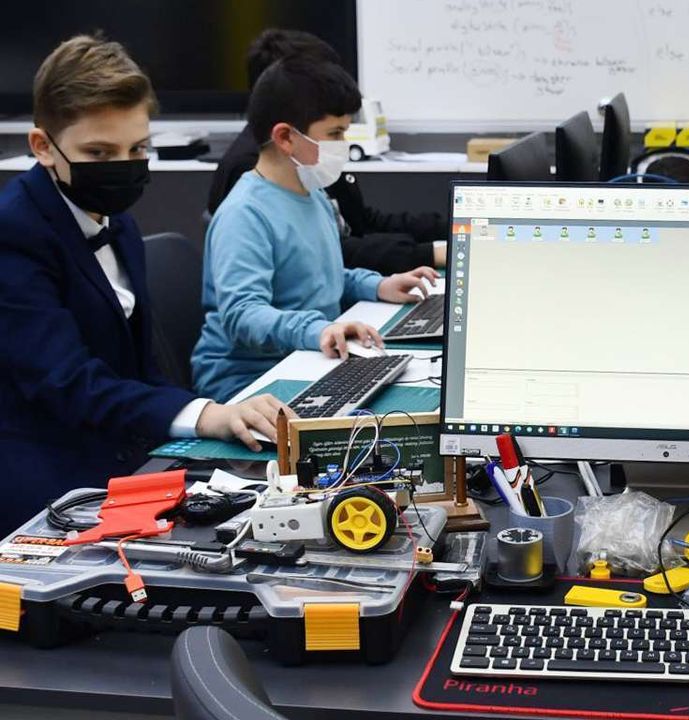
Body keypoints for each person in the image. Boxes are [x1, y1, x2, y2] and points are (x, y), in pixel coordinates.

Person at [0, 36, 293, 533]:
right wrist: (203, 415)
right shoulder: (14, 232)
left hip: (130, 450)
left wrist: (218, 414)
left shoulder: (118, 222)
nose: (123, 165)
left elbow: (141, 370)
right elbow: (67, 384)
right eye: (99, 151)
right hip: (51, 480)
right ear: (43, 147)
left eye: (137, 148)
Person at [191, 57, 439, 402]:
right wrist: (317, 329)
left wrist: (378, 284)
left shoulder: (313, 194)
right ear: (285, 137)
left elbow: (320, 276)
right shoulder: (245, 214)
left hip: (304, 359)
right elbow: (242, 315)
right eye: (335, 134)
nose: (343, 144)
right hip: (248, 382)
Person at [206, 29, 445, 274]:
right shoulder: (254, 178)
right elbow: (326, 256)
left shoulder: (311, 175)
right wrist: (425, 254)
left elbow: (356, 227)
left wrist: (447, 229)